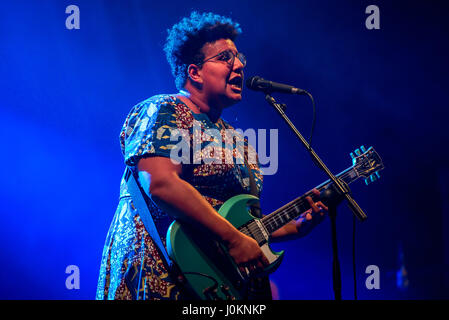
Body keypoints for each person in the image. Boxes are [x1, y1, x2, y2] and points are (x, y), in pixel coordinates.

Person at [96, 11, 328, 300]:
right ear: (194, 72)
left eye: (239, 57)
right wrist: (233, 239)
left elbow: (233, 219)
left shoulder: (239, 140)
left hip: (217, 283)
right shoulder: (165, 110)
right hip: (161, 274)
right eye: (225, 58)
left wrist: (291, 228)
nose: (240, 65)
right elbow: (161, 184)